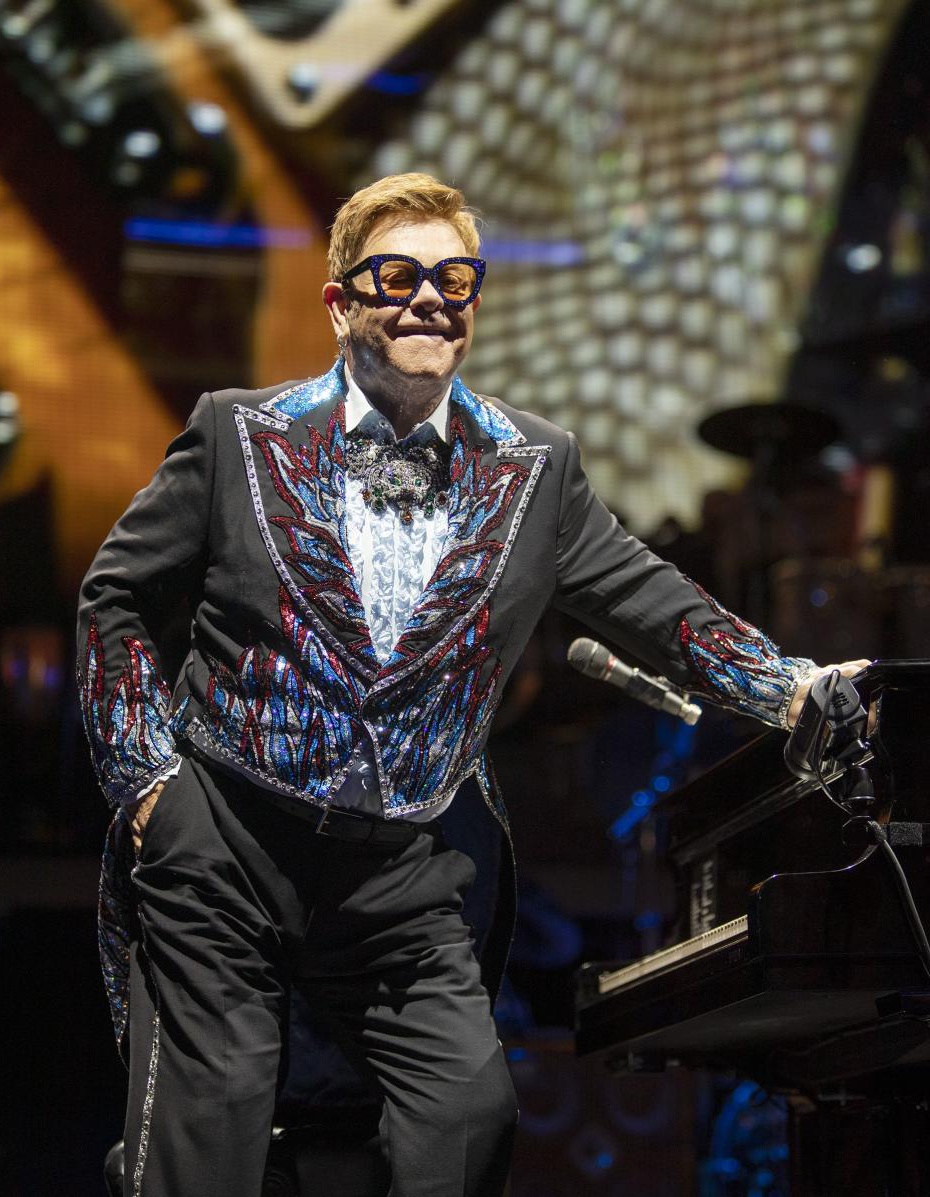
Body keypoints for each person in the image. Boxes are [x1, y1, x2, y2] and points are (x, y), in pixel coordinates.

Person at [77, 172, 867, 1197]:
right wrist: (146, 779)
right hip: (228, 838)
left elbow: (652, 603)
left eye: (457, 278)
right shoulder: (238, 434)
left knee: (469, 1113)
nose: (429, 299)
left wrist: (791, 687)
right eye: (397, 275)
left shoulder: (534, 465)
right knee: (210, 1140)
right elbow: (117, 596)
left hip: (406, 865)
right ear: (340, 301)